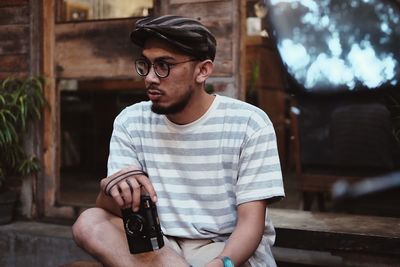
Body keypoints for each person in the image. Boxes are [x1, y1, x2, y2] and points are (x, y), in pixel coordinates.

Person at [72, 15, 285, 267]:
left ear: (202, 71)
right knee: (89, 222)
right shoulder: (130, 121)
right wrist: (109, 189)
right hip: (159, 248)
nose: (150, 77)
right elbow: (117, 209)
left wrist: (222, 263)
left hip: (223, 248)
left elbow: (251, 223)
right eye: (145, 65)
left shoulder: (249, 123)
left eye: (164, 65)